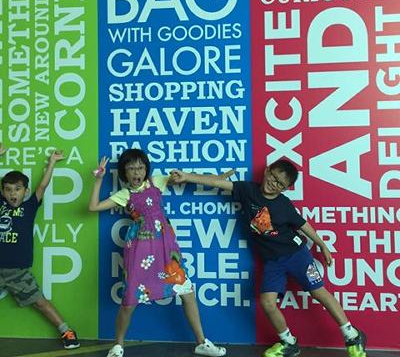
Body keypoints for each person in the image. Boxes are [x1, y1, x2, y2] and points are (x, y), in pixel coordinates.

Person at [171, 159, 367, 357]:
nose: (274, 183)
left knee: (319, 292)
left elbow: (303, 225)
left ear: (285, 189)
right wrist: (186, 177)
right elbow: (216, 182)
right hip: (273, 262)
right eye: (273, 177)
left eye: (280, 184)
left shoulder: (284, 204)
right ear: (267, 171)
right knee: (267, 303)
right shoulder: (248, 190)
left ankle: (352, 335)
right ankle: (289, 343)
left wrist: (322, 245)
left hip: (297, 255)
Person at [89, 148, 229, 357]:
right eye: (131, 168)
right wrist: (98, 179)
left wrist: (217, 178)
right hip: (139, 250)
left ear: (146, 169)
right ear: (124, 172)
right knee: (130, 300)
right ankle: (117, 346)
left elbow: (186, 178)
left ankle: (201, 343)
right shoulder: (125, 194)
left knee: (187, 292)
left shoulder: (156, 182)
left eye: (140, 167)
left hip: (165, 248)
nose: (136, 172)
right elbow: (93, 206)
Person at [0, 143, 80, 350]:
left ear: (26, 191)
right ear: (3, 192)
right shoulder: (1, 204)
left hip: (18, 271)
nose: (12, 193)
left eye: (17, 189)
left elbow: (43, 186)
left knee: (39, 302)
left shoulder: (29, 206)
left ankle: (67, 331)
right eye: (8, 190)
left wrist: (52, 162)